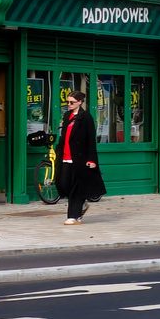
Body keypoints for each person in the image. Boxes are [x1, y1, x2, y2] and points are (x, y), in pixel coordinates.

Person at [56, 90, 106, 224]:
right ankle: (82, 204)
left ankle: (73, 216)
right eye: (67, 102)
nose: (69, 104)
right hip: (65, 156)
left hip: (80, 158)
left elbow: (91, 141)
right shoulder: (67, 116)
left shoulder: (86, 117)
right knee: (63, 184)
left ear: (80, 102)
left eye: (72, 102)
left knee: (75, 188)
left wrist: (92, 159)